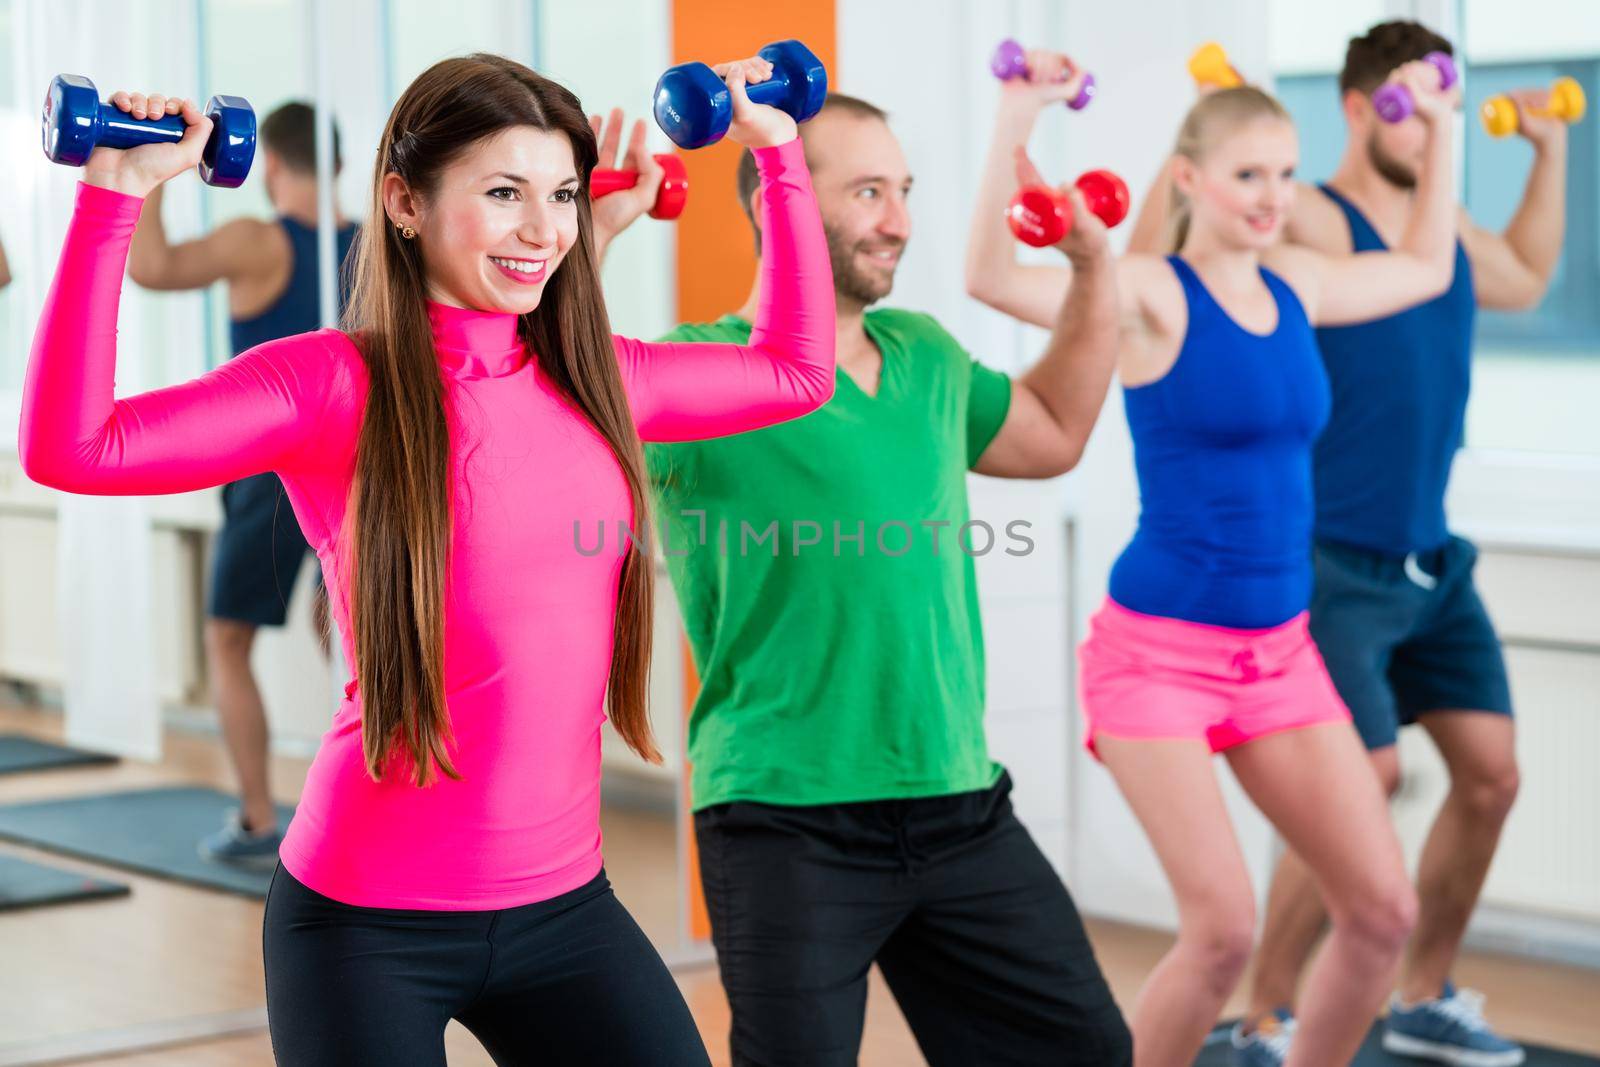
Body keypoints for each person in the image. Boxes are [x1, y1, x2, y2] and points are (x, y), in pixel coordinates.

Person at [21, 52, 835, 1065]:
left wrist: (780, 151)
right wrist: (113, 195)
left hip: (566, 909)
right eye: (503, 193)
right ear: (402, 202)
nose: (542, 229)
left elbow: (797, 370)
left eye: (561, 196)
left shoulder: (601, 381)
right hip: (365, 923)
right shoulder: (329, 385)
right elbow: (75, 447)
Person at [600, 90, 1131, 1066]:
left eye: (904, 189)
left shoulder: (921, 352)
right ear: (780, 200)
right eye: (868, 191)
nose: (898, 218)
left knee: (1084, 1048)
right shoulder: (694, 372)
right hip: (783, 815)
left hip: (956, 799)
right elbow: (557, 392)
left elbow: (1054, 430)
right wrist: (593, 236)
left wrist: (1095, 267)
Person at [965, 47, 1458, 1066]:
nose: (1273, 196)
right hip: (1155, 655)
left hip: (1280, 653)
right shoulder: (1149, 291)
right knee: (1223, 926)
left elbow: (1426, 264)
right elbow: (990, 276)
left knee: (1380, 909)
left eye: (1285, 172)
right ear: (1187, 179)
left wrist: (1446, 129)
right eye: (1247, 175)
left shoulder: (1301, 287)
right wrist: (1017, 117)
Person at [1235, 22, 1566, 1066]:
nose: (1427, 132)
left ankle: (1421, 993)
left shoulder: (1445, 223)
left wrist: (1549, 154)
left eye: (1443, 112)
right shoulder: (1319, 228)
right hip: (1328, 560)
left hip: (1431, 560)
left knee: (1490, 775)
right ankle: (1262, 1016)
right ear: (1357, 105)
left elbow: (1517, 275)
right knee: (1359, 780)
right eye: (1408, 108)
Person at [126, 101, 357, 866]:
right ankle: (381, 806)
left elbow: (150, 268)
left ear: (274, 168)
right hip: (362, 469)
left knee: (227, 641)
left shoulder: (260, 239)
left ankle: (261, 819)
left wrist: (152, 157)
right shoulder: (378, 244)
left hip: (273, 474)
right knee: (362, 646)